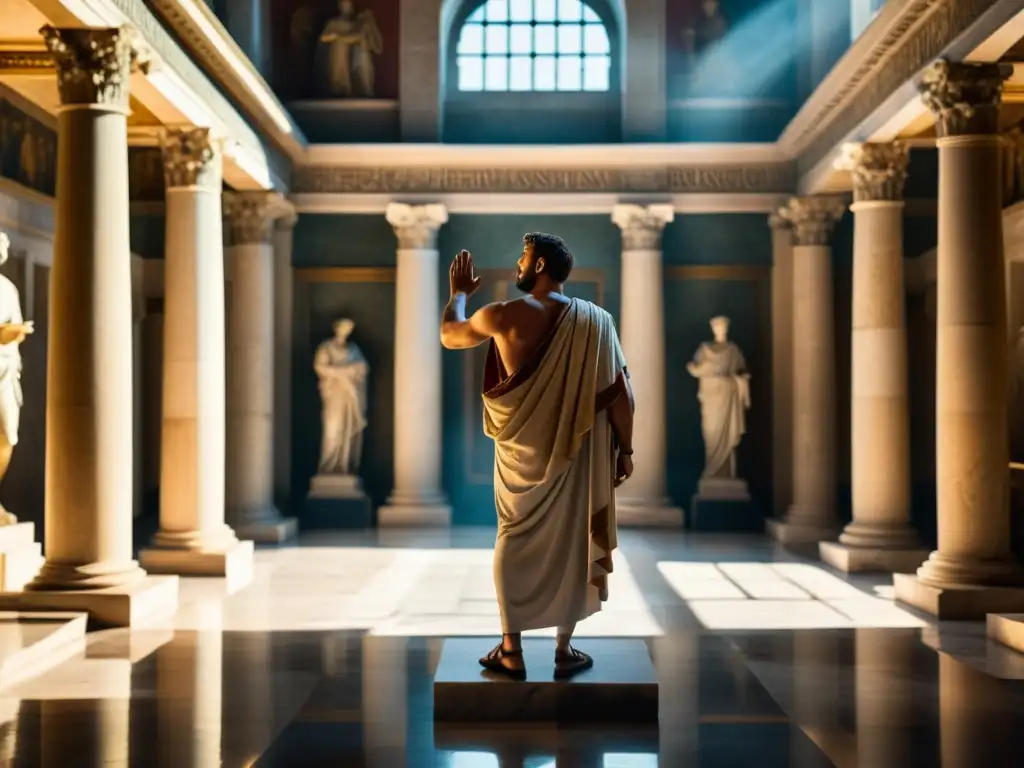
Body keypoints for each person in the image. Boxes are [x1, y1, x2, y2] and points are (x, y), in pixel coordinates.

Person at [440, 233, 635, 680]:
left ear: (541, 265)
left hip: (521, 452)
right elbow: (622, 394)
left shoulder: (503, 315)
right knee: (572, 538)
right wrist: (625, 449)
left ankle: (511, 648)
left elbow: (451, 335)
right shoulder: (597, 322)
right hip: (576, 451)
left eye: (523, 258)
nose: (517, 265)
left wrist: (457, 297)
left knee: (513, 535)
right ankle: (564, 650)